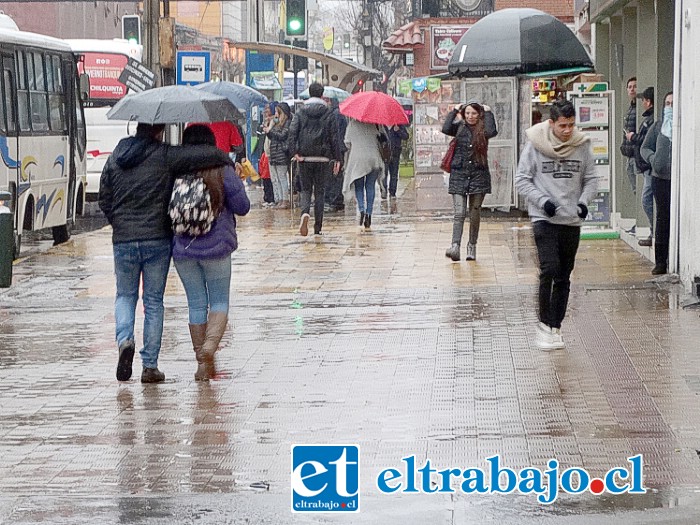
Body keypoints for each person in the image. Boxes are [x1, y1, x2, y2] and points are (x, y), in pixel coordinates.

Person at [99, 123, 231, 383]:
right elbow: (198, 155)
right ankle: (150, 366)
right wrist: (223, 156)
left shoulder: (116, 156)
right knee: (153, 302)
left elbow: (104, 197)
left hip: (123, 239)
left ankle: (125, 340)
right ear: (159, 131)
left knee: (125, 295)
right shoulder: (164, 154)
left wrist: (119, 222)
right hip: (157, 239)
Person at [515, 100, 599, 350]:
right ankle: (543, 324)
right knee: (549, 268)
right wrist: (543, 201)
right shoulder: (535, 144)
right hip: (545, 218)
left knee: (564, 275)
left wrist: (584, 202)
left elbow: (591, 178)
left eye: (571, 125)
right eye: (562, 125)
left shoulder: (581, 145)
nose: (567, 130)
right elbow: (522, 179)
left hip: (571, 219)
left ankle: (555, 326)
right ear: (551, 123)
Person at [173, 125, 251, 380]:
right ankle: (208, 349)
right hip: (217, 246)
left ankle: (202, 364)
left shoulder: (176, 170)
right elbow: (242, 207)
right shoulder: (223, 169)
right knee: (218, 302)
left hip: (183, 247)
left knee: (196, 303)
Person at [441, 100, 498, 261]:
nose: (470, 116)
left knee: (474, 212)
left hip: (478, 174)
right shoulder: (459, 127)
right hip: (459, 173)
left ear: (479, 114)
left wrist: (488, 112)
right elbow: (446, 128)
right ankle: (455, 246)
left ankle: (472, 245)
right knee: (459, 212)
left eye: (474, 113)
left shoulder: (483, 129)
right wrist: (454, 111)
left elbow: (492, 131)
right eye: (467, 113)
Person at [287, 82, 341, 236]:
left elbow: (292, 133)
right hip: (323, 158)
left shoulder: (301, 112)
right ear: (322, 94)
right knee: (320, 192)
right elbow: (334, 137)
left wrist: (295, 152)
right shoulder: (328, 112)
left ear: (309, 94)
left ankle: (305, 212)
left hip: (305, 157)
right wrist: (337, 158)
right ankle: (318, 227)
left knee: (305, 189)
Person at [641, 91, 673, 276]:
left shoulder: (682, 127)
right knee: (662, 217)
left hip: (677, 180)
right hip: (660, 179)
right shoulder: (658, 126)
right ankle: (660, 261)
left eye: (673, 103)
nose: (670, 106)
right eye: (667, 103)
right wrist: (653, 160)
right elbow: (645, 147)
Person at [343, 119, 385, 230]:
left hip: (357, 159)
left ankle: (361, 210)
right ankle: (369, 213)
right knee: (370, 186)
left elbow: (347, 143)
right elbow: (382, 139)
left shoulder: (352, 124)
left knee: (359, 186)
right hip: (373, 157)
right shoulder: (376, 123)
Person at [628, 86, 655, 246]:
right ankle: (654, 231)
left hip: (649, 166)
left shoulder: (651, 121)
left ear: (648, 102)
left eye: (644, 100)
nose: (642, 103)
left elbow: (645, 141)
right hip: (645, 166)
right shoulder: (647, 119)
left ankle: (654, 231)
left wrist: (633, 137)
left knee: (646, 198)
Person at [263, 102, 292, 208]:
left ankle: (285, 199)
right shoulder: (276, 123)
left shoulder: (287, 123)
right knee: (276, 178)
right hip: (275, 153)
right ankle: (280, 199)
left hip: (281, 154)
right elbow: (272, 137)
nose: (275, 114)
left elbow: (283, 135)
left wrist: (270, 132)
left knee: (282, 177)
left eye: (277, 111)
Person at [324, 98, 348, 212]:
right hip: (340, 148)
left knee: (334, 175)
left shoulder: (335, 115)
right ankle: (337, 200)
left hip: (336, 149)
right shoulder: (339, 114)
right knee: (337, 175)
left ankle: (333, 200)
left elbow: (335, 134)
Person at [620, 77, 638, 203]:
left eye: (634, 86)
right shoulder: (630, 108)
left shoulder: (638, 109)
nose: (632, 89)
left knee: (639, 190)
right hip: (629, 156)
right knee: (635, 189)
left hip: (636, 156)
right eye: (629, 87)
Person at [383, 124, 409, 199]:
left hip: (395, 153)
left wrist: (398, 131)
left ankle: (392, 192)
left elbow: (406, 136)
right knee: (384, 174)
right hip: (385, 153)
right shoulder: (383, 125)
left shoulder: (399, 124)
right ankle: (384, 190)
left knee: (394, 174)